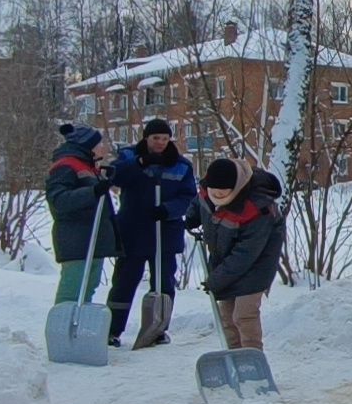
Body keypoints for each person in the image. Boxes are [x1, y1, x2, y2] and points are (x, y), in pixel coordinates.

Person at [105, 119, 197, 347]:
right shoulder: (128, 157)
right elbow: (115, 177)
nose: (160, 143)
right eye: (156, 138)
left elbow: (188, 197)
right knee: (125, 281)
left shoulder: (181, 165)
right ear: (146, 138)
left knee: (164, 283)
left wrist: (168, 210)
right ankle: (112, 329)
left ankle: (157, 328)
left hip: (165, 232)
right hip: (133, 231)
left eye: (165, 139)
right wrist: (139, 163)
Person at [187, 157, 285, 352]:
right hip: (225, 261)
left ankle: (252, 360)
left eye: (223, 193)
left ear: (237, 187)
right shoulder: (209, 191)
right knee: (227, 316)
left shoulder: (258, 209)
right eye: (214, 192)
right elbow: (201, 202)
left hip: (257, 264)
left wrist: (216, 279)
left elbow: (245, 255)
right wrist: (192, 218)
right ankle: (235, 358)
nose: (217, 196)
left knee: (244, 314)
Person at [46, 123, 120, 334]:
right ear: (88, 146)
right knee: (73, 289)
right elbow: (58, 200)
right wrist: (94, 191)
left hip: (92, 240)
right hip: (76, 240)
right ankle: (61, 332)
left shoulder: (87, 166)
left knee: (88, 287)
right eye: (100, 143)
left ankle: (77, 331)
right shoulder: (66, 166)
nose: (104, 147)